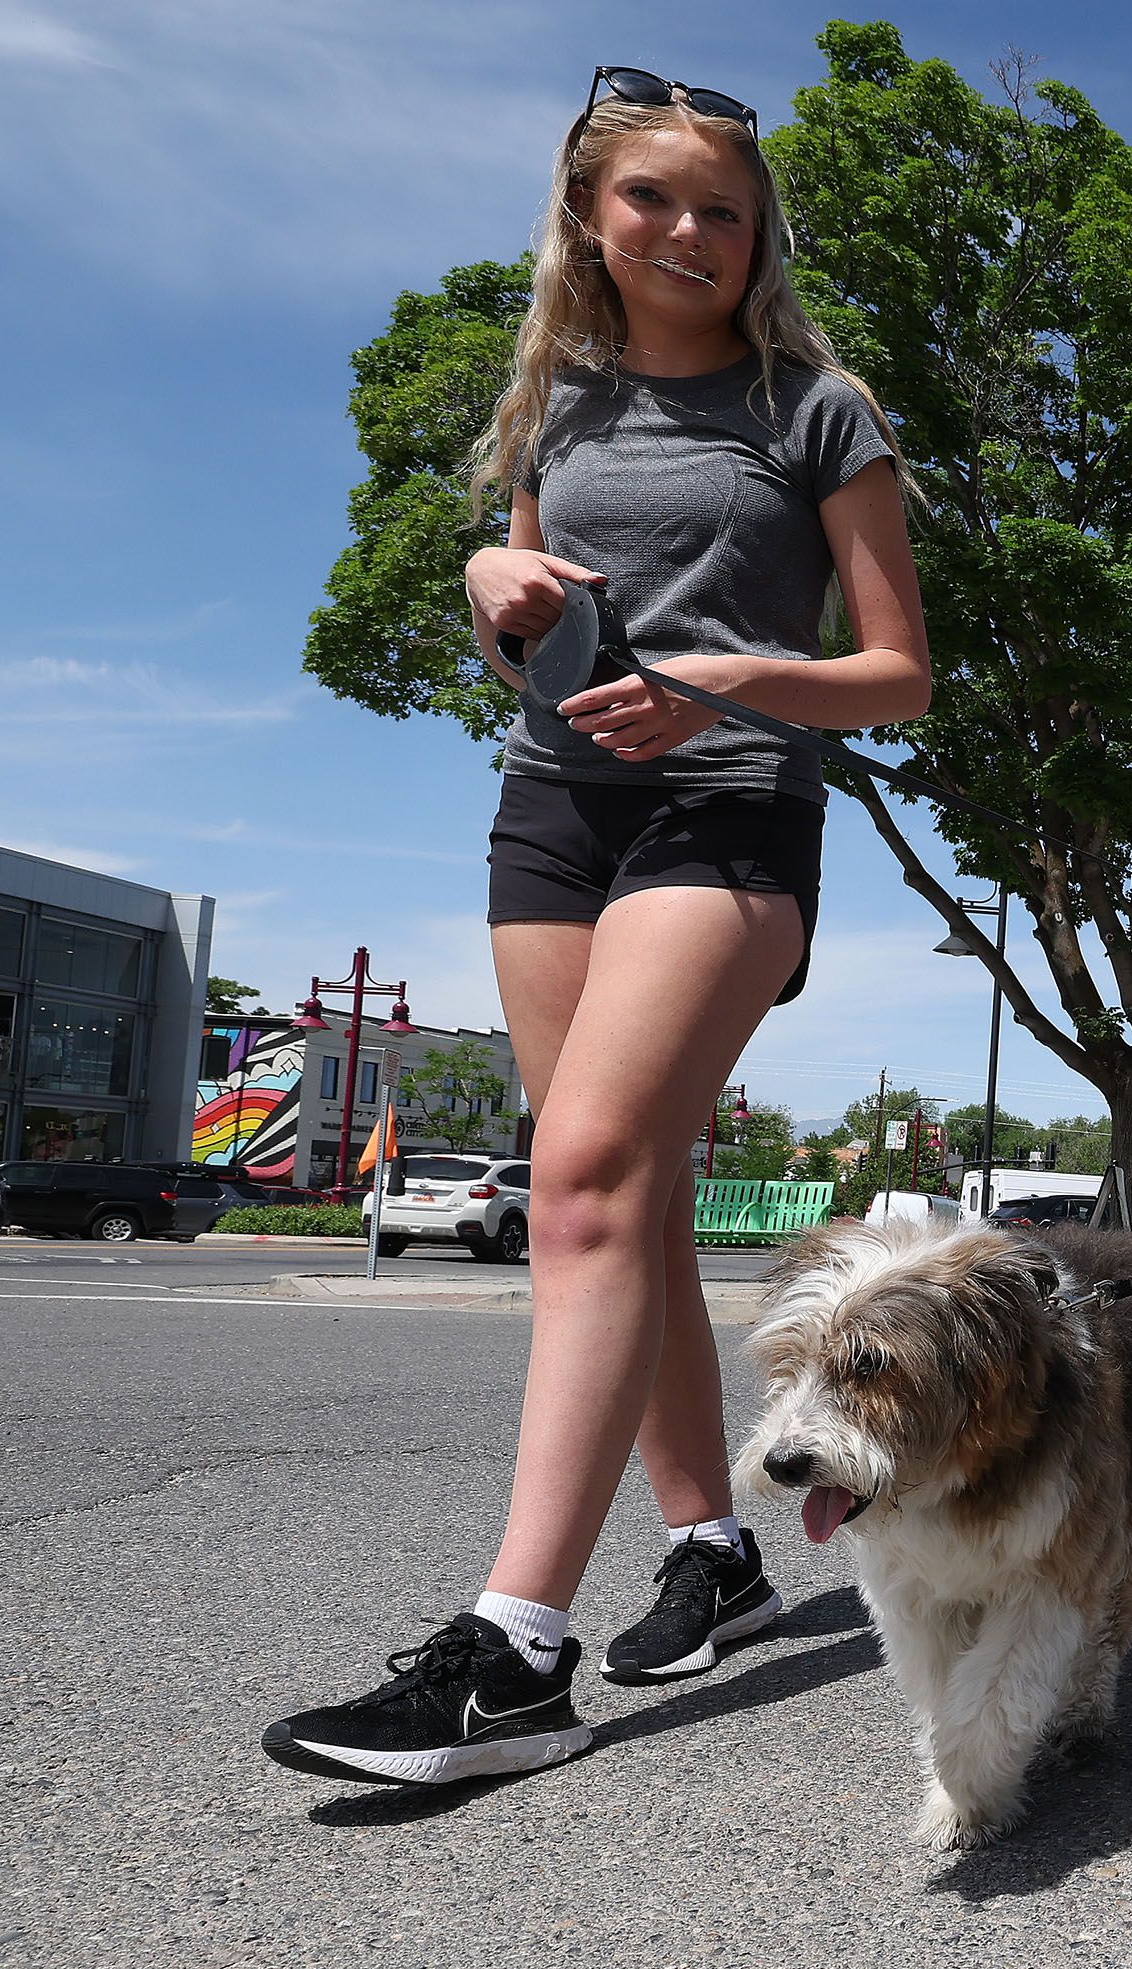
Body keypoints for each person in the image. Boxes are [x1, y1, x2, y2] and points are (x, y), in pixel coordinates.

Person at [263, 68, 931, 1786]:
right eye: (655, 201)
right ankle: (712, 1546)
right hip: (554, 807)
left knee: (580, 1176)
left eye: (723, 207)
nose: (692, 232)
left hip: (732, 812)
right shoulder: (556, 401)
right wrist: (494, 582)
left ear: (759, 229)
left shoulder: (818, 410)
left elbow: (897, 673)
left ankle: (514, 1655)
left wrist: (729, 676)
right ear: (589, 215)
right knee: (613, 1201)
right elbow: (530, 613)